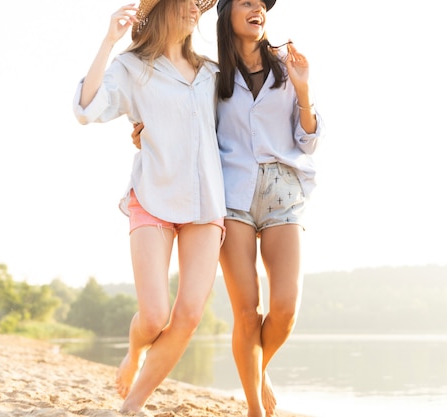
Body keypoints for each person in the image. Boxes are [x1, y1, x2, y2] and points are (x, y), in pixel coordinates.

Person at [132, 1, 325, 415]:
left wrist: (304, 90)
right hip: (230, 195)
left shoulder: (287, 66)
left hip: (283, 193)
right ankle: (255, 408)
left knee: (285, 308)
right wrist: (147, 132)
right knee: (246, 310)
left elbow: (308, 140)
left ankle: (259, 366)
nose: (257, 7)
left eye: (261, 4)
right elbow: (182, 123)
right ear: (227, 15)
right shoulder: (210, 76)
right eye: (246, 1)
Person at [72, 0, 225, 413]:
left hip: (207, 202)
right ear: (163, 9)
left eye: (199, 3)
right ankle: (134, 350)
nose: (195, 8)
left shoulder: (213, 73)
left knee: (189, 314)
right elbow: (87, 109)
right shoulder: (132, 68)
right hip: (154, 197)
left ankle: (132, 406)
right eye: (187, 1)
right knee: (155, 315)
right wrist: (108, 41)